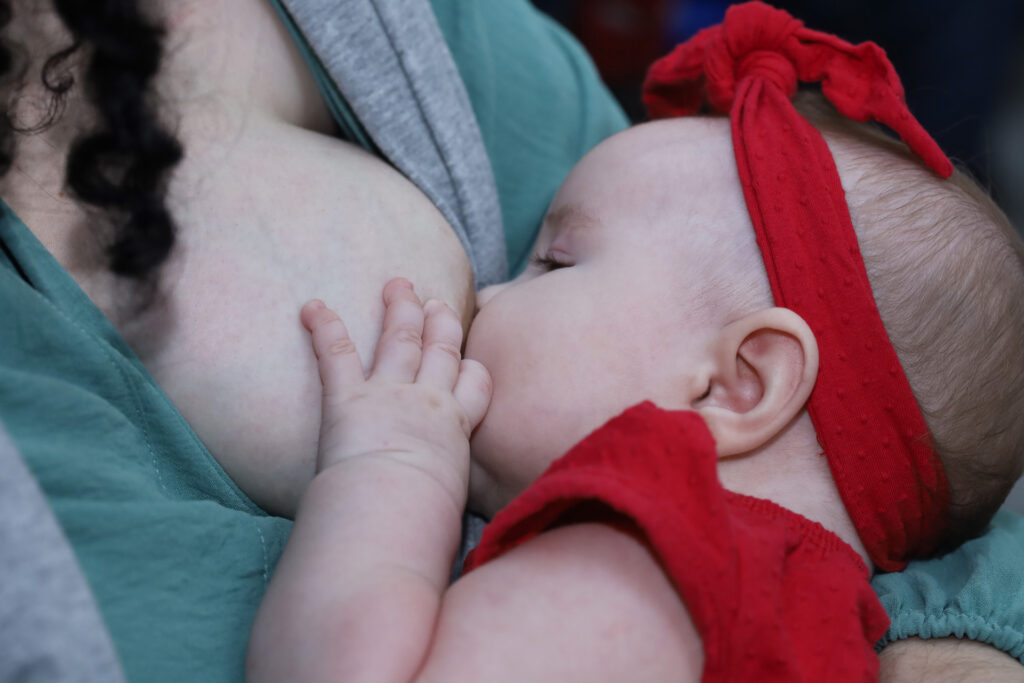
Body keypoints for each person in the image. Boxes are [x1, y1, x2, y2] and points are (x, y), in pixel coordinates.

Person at [1, 0, 1022, 680]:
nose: (484, 293)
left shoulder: (652, 551)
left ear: (736, 383)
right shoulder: (807, 605)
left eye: (554, 265)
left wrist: (389, 466)